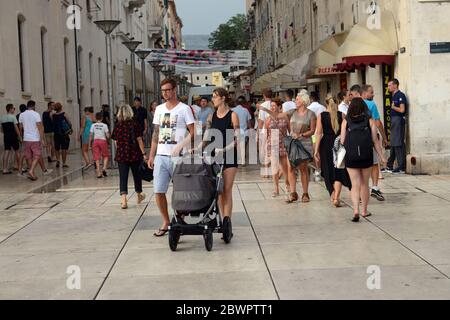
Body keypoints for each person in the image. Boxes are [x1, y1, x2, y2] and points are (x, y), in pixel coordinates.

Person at [148, 78, 195, 237]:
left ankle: (180, 218)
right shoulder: (159, 109)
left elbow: (193, 132)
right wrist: (151, 155)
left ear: (174, 90)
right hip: (161, 156)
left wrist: (181, 146)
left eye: (168, 90)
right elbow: (156, 133)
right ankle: (166, 221)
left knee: (181, 191)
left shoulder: (184, 109)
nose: (165, 93)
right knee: (158, 191)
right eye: (163, 91)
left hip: (179, 157)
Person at [260, 92, 316, 203]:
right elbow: (276, 115)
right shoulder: (292, 112)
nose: (295, 101)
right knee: (290, 168)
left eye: (298, 99)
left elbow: (313, 130)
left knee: (303, 169)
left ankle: (305, 193)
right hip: (293, 144)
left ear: (303, 102)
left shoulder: (311, 114)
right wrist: (264, 109)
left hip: (304, 143)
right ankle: (293, 193)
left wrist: (301, 135)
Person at [340, 98, 387, 222]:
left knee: (354, 185)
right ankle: (364, 211)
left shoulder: (346, 121)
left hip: (351, 157)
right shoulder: (369, 121)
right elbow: (375, 141)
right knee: (364, 184)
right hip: (366, 156)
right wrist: (382, 157)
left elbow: (342, 141)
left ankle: (355, 210)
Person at [204, 88, 240, 239]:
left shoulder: (233, 115)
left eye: (215, 97)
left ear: (223, 98)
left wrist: (224, 149)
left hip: (229, 155)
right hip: (214, 155)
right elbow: (206, 136)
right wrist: (198, 147)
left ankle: (227, 221)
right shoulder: (211, 115)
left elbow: (237, 139)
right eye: (213, 97)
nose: (213, 99)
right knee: (218, 191)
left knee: (227, 189)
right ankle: (222, 222)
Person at [314, 95, 351, 207]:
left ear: (326, 103)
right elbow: (346, 132)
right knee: (338, 171)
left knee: (327, 170)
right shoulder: (342, 115)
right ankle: (336, 197)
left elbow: (319, 133)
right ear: (337, 102)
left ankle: (333, 194)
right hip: (339, 143)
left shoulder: (321, 116)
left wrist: (316, 149)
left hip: (325, 144)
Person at [112, 105, 147, 209]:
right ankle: (139, 195)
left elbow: (116, 142)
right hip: (134, 154)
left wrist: (120, 150)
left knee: (123, 177)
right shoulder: (134, 124)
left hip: (122, 155)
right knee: (137, 175)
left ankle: (123, 200)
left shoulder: (117, 126)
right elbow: (139, 140)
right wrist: (144, 154)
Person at [362, 85, 388, 201]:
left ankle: (361, 191)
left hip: (357, 139)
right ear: (364, 93)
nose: (373, 95)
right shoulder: (371, 104)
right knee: (374, 163)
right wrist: (385, 137)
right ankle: (375, 187)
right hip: (371, 137)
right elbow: (377, 122)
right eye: (371, 92)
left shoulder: (354, 104)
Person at [18, 100, 52, 181]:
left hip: (26, 138)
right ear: (33, 106)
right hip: (35, 138)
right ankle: (31, 170)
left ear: (27, 106)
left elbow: (20, 127)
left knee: (29, 156)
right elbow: (40, 127)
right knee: (37, 155)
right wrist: (42, 139)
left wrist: (22, 136)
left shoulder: (21, 115)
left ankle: (32, 173)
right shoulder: (36, 114)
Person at [265, 98, 290, 197]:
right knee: (274, 167)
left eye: (274, 106)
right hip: (272, 144)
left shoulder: (285, 117)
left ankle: (287, 183)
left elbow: (290, 130)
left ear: (279, 107)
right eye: (271, 106)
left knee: (285, 167)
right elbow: (267, 133)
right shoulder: (268, 119)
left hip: (283, 143)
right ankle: (276, 188)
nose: (272, 107)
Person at [386, 78, 408, 174]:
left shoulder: (400, 95)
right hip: (394, 120)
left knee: (398, 142)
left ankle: (401, 167)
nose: (388, 87)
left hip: (399, 120)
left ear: (395, 85)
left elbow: (402, 110)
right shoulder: (394, 95)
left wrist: (393, 107)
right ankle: (390, 165)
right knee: (394, 142)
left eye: (390, 85)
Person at [1, 104, 22, 174]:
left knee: (6, 151)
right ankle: (19, 167)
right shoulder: (13, 117)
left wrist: (5, 133)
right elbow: (16, 129)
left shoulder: (2, 117)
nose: (14, 109)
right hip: (13, 136)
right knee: (17, 151)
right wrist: (20, 137)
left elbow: (1, 128)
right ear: (10, 109)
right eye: (14, 108)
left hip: (6, 136)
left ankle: (4, 169)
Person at [257, 88, 273, 178]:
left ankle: (266, 171)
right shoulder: (274, 104)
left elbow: (261, 121)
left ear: (264, 96)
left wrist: (258, 133)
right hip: (275, 130)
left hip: (264, 131)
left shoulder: (262, 106)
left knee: (265, 150)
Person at [232, 96, 252, 166]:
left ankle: (238, 160)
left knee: (237, 147)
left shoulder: (232, 110)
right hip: (244, 132)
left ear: (236, 103)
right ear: (243, 103)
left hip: (235, 132)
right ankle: (243, 162)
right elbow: (248, 122)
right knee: (243, 147)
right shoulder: (245, 110)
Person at [90, 112, 110, 179]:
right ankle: (104, 168)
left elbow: (91, 135)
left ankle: (98, 172)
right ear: (102, 118)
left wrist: (90, 143)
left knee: (96, 157)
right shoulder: (104, 125)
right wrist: (109, 138)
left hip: (95, 141)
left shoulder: (93, 125)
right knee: (106, 155)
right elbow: (107, 135)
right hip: (103, 141)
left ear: (95, 118)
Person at [52, 102, 72, 168]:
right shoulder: (64, 114)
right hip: (63, 134)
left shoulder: (53, 115)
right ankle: (64, 163)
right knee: (64, 148)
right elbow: (69, 122)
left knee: (57, 148)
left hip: (56, 134)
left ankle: (58, 160)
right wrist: (69, 128)